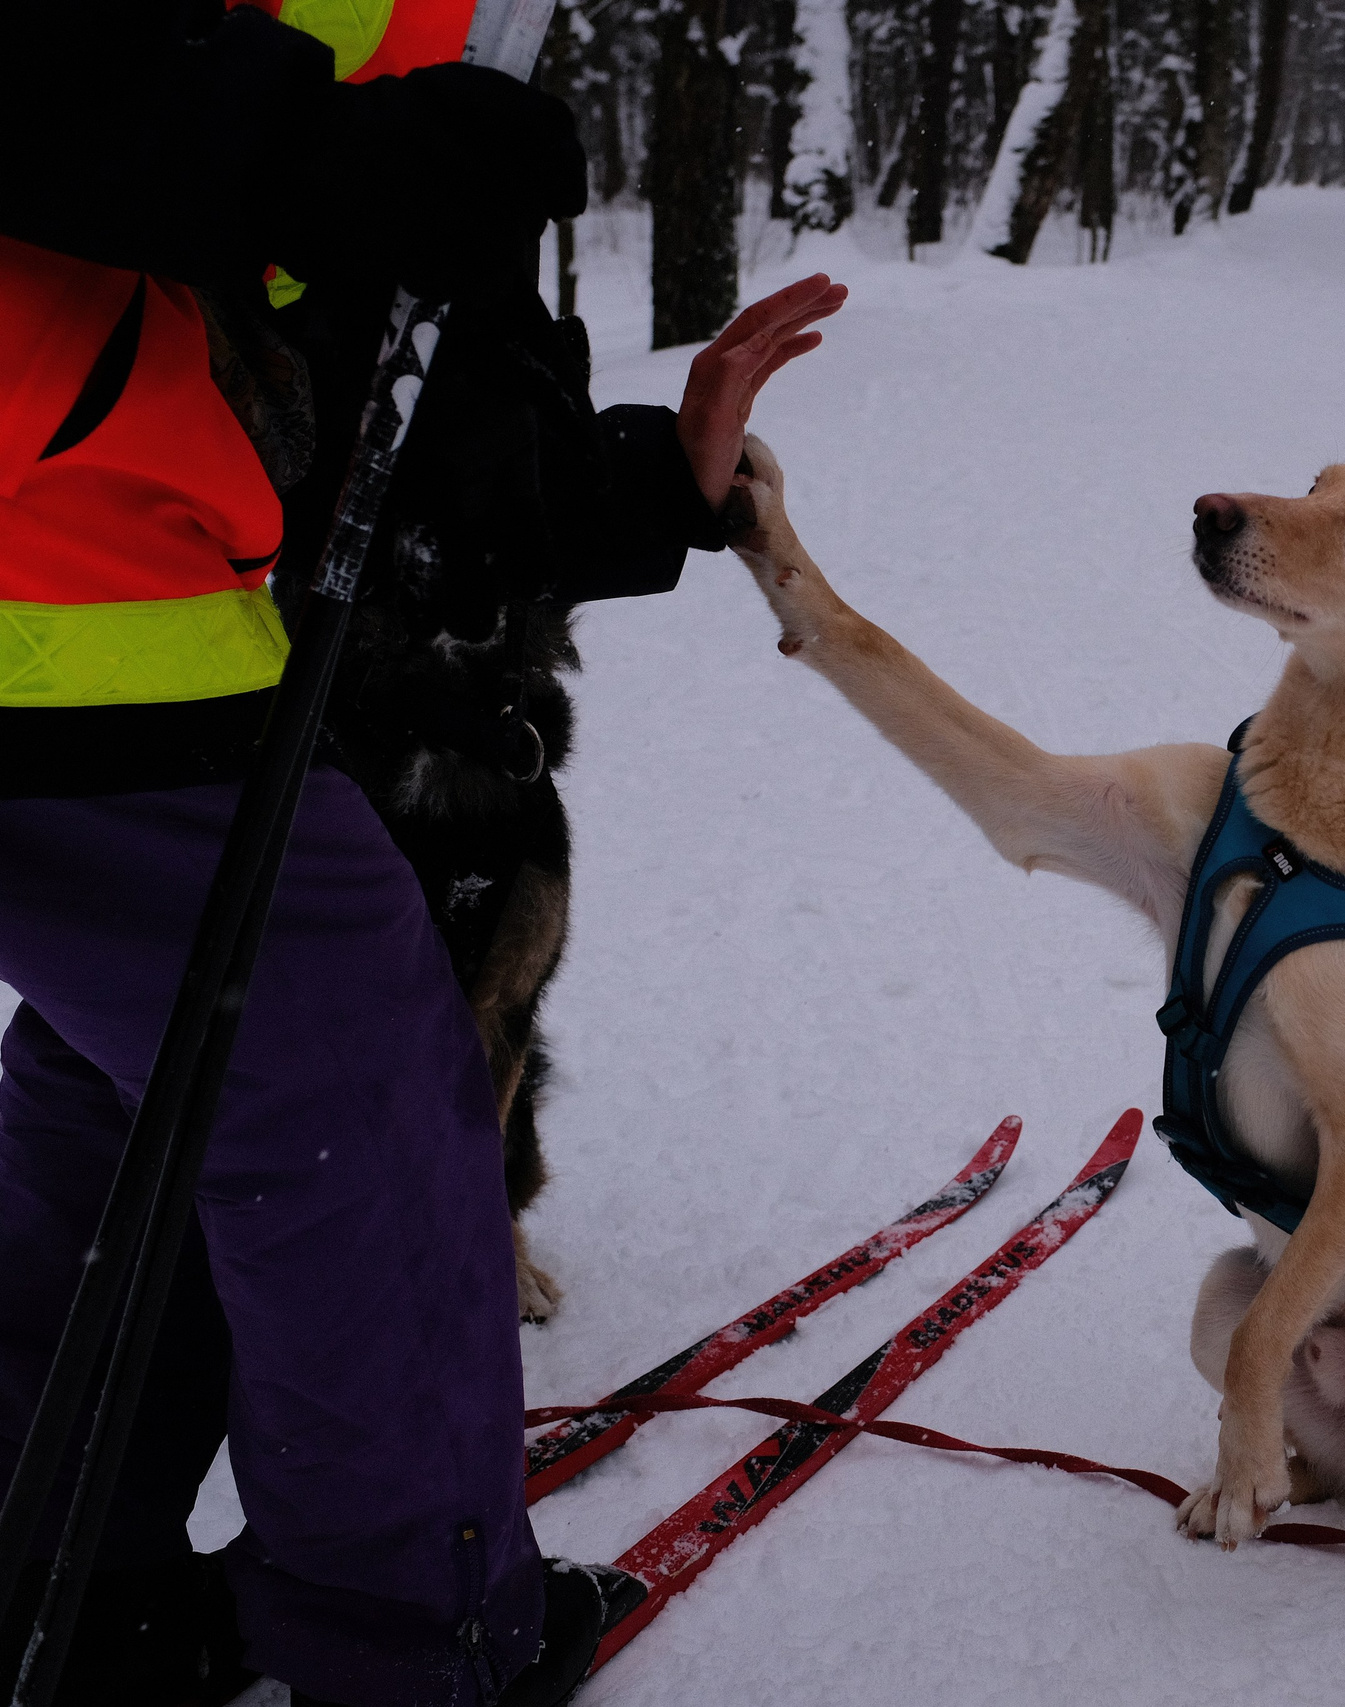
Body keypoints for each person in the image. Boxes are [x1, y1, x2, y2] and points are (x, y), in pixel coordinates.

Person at [0, 4, 842, 1703]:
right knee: (363, 1097)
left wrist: (632, 484)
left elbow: (395, 394)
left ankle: (64, 1581)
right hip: (65, 593)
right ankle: (420, 1648)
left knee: (145, 1083)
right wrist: (314, 159)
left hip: (145, 609)